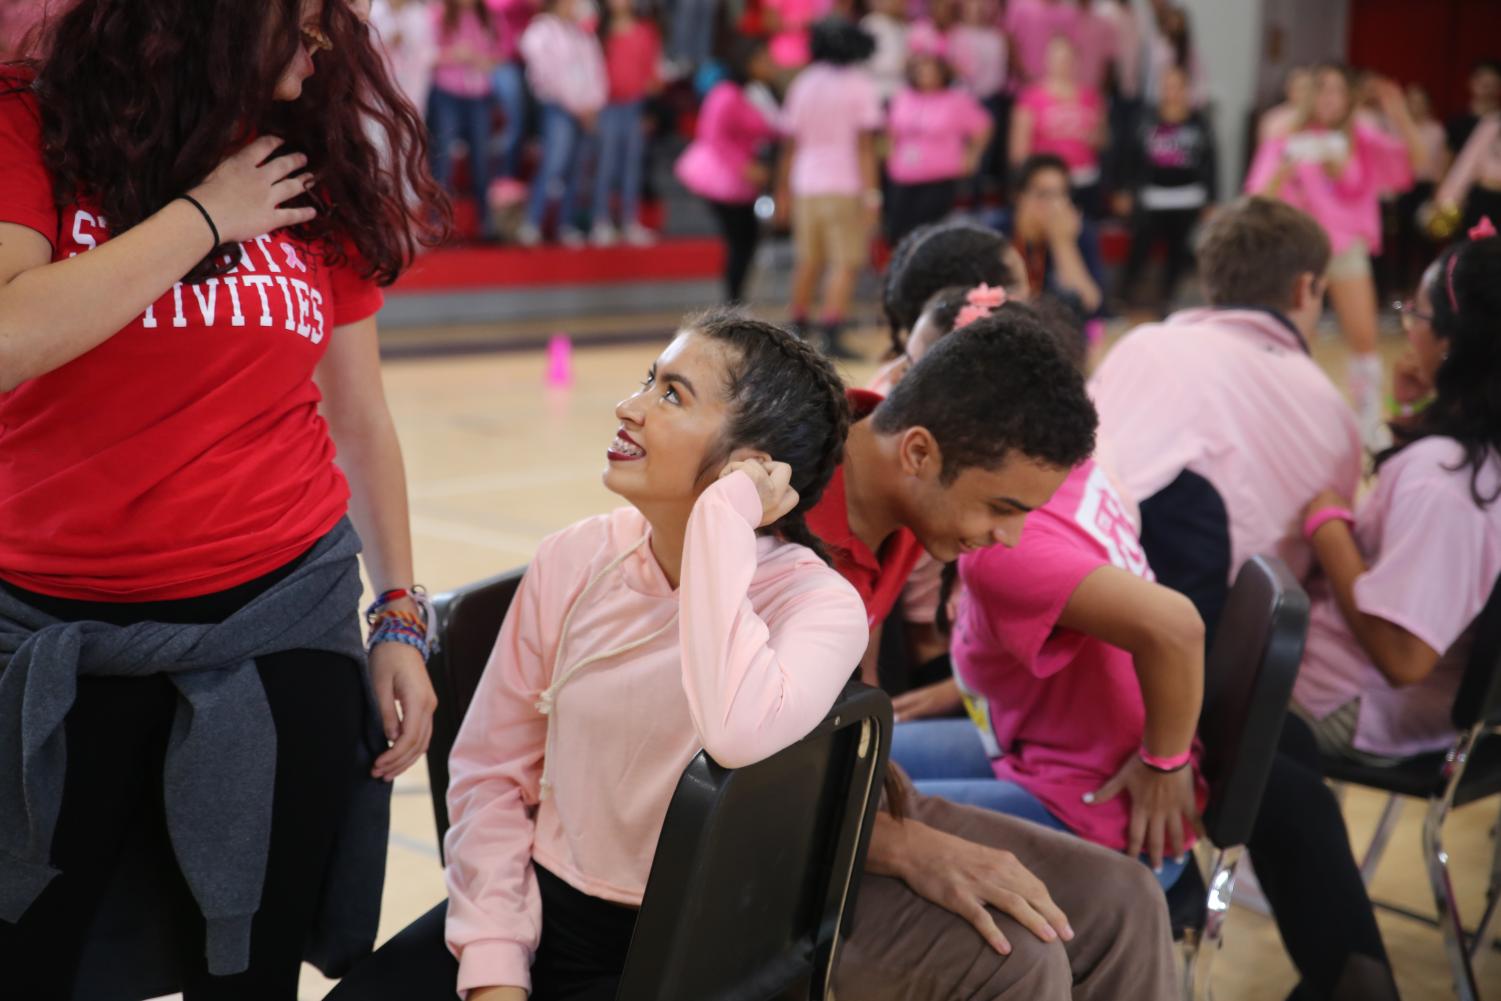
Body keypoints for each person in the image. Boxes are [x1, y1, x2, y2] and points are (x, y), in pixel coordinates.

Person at [0, 0, 445, 996]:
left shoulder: (305, 163)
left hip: (277, 622)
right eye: (303, 19)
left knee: (247, 968)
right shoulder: (34, 126)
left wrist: (402, 614)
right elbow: (7, 335)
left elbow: (359, 413)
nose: (323, 43)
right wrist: (204, 218)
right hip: (56, 638)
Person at [322, 310, 869, 1001]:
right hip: (533, 908)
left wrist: (722, 520)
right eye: (649, 379)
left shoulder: (818, 606)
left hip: (690, 948)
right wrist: (495, 967)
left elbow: (734, 728)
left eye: (671, 395)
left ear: (752, 463)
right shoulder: (576, 555)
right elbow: (490, 773)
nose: (629, 406)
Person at [804, 307, 1180, 1001]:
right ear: (917, 453)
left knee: (1125, 895)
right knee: (1020, 957)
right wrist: (901, 844)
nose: (1007, 537)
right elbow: (694, 772)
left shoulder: (900, 479)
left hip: (841, 795)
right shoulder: (780, 519)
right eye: (1000, 507)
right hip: (763, 839)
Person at [1241, 226, 1501, 1001]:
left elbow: (1402, 654)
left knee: (1208, 715)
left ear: (1454, 341)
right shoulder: (1463, 457)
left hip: (1366, 700)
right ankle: (1342, 963)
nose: (1403, 324)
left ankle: (1346, 969)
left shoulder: (1446, 481)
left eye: (1413, 312)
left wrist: (1328, 525)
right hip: (1412, 705)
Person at [882, 286, 1206, 892]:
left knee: (845, 821)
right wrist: (968, 683)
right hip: (1046, 754)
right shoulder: (1062, 463)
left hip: (1100, 813)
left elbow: (1175, 625)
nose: (901, 384)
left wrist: (1167, 764)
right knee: (846, 770)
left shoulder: (1003, 542)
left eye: (920, 370)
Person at [1089, 196, 1361, 639]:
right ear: (1304, 288)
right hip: (1228, 661)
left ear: (1211, 279)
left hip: (1091, 616)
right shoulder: (1331, 411)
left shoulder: (1140, 347)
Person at [1246, 65, 1425, 447]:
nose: (1329, 99)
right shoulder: (1287, 138)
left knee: (1364, 340)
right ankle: (1282, 425)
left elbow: (1414, 166)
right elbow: (1258, 197)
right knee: (1289, 340)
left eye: (1337, 91)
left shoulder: (1363, 138)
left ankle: (1368, 422)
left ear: (1348, 98)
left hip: (1345, 249)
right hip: (1297, 252)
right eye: (1322, 90)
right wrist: (1284, 171)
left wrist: (1397, 111)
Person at [776, 17, 881, 359]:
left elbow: (790, 144)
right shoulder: (858, 83)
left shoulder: (803, 83)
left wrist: (783, 191)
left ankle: (797, 324)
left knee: (808, 259)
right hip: (845, 182)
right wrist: (872, 194)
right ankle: (832, 329)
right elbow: (865, 145)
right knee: (845, 261)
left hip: (806, 182)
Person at [674, 37, 779, 303]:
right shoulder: (725, 93)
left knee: (745, 240)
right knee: (740, 240)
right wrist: (743, 166)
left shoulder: (757, 92)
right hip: (725, 178)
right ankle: (733, 302)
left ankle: (736, 300)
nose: (771, 64)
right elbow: (712, 135)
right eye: (764, 59)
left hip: (744, 180)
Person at [1114, 63, 1218, 313]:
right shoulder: (1144, 120)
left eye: (1178, 86)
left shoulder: (1200, 123)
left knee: (1177, 252)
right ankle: (1123, 296)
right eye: (1167, 86)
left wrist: (1211, 199)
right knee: (1140, 247)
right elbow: (1128, 157)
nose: (1172, 91)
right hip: (1151, 198)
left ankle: (1167, 299)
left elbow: (1212, 162)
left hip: (1188, 199)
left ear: (1186, 90)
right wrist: (1124, 189)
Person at [516, 0, 607, 247]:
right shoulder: (541, 31)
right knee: (554, 164)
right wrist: (576, 106)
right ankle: (532, 222)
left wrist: (593, 103)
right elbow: (547, 73)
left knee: (577, 168)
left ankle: (565, 225)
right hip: (559, 107)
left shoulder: (581, 32)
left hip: (585, 109)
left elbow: (595, 69)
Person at [884, 44, 992, 246]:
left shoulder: (956, 100)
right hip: (903, 175)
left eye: (932, 69)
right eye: (921, 69)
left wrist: (971, 156)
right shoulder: (904, 97)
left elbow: (983, 128)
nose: (926, 74)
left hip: (939, 176)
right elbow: (891, 130)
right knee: (898, 233)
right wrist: (890, 155)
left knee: (928, 235)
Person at [989, 155, 1104, 320]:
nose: (1055, 205)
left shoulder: (1078, 231)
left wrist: (1063, 243)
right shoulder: (997, 231)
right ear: (1018, 196)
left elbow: (1089, 303)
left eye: (1061, 194)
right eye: (1044, 194)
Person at [587, 0, 661, 247]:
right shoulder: (596, 30)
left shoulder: (645, 31)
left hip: (635, 105)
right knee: (606, 165)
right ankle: (601, 221)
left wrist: (649, 108)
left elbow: (652, 72)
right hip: (606, 106)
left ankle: (630, 220)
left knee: (632, 165)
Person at [1010, 34, 1105, 215]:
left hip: (1085, 179)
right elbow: (1019, 151)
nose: (1062, 64)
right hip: (1048, 184)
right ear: (1047, 60)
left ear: (1076, 61)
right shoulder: (1031, 98)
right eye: (1057, 58)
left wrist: (1093, 137)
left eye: (1067, 58)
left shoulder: (1091, 96)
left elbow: (1101, 140)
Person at [428, 0, 502, 231]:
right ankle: (437, 219)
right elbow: (425, 54)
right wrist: (454, 55)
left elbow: (499, 53)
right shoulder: (438, 14)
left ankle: (486, 221)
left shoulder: (487, 16)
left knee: (481, 159)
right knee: (443, 158)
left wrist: (483, 61)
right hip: (447, 91)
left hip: (479, 94)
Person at [487, 0, 539, 183]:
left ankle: (511, 179)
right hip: (501, 62)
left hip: (530, 63)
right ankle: (504, 178)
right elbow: (495, 6)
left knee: (527, 126)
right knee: (514, 122)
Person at [371, 0, 438, 119]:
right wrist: (387, 42)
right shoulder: (374, 11)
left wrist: (407, 43)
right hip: (377, 87)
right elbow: (366, 45)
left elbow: (429, 52)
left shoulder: (419, 14)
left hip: (410, 88)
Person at [1003, 0, 1079, 87]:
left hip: (1053, 89)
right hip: (1020, 86)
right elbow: (1008, 43)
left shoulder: (1069, 13)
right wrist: (1024, 75)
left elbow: (1071, 50)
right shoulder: (1019, 6)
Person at [1444, 58, 1501, 158]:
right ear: (1471, 82)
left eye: (1492, 83)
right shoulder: (1457, 123)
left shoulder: (1498, 122)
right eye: (1483, 82)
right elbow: (1448, 158)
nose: (1487, 88)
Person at [860, 0, 910, 104]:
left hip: (900, 90)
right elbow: (865, 61)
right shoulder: (871, 23)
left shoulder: (901, 25)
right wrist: (899, 64)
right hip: (877, 89)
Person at [1259, 66, 1314, 145]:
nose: (1303, 93)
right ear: (1288, 89)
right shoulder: (1274, 118)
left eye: (1306, 88)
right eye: (1298, 88)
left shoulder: (1316, 116)